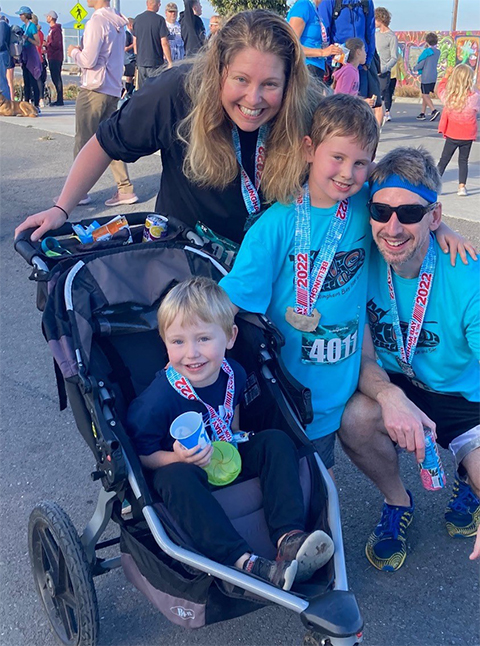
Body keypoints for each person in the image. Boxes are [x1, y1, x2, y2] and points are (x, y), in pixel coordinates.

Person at [16, 10, 323, 249]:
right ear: (217, 71)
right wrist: (61, 209)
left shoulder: (306, 110)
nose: (253, 99)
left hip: (268, 267)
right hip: (185, 263)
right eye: (240, 80)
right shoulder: (176, 93)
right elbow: (105, 143)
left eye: (270, 84)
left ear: (289, 85)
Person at [127, 277, 335, 589]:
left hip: (225, 455)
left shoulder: (233, 373)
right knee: (175, 478)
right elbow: (142, 455)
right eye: (178, 342)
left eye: (203, 339)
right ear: (164, 343)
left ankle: (288, 537)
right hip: (184, 469)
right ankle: (243, 561)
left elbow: (231, 411)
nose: (191, 354)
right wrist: (177, 457)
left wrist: (235, 437)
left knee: (275, 441)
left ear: (230, 336)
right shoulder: (156, 401)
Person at [339, 146, 480, 572]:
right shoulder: (357, 264)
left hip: (465, 403)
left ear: (435, 217)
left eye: (411, 214)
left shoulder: (468, 275)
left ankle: (468, 479)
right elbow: (362, 354)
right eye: (381, 211)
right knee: (354, 417)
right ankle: (397, 501)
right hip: (401, 385)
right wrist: (386, 395)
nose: (393, 227)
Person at [220, 94, 380, 469]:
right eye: (337, 158)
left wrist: (445, 230)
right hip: (293, 396)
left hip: (345, 380)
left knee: (320, 477)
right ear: (309, 149)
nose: (347, 173)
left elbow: (411, 211)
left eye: (360, 163)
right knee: (307, 485)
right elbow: (232, 299)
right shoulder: (277, 224)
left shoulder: (368, 206)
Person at [67, 0, 138, 208]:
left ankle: (78, 192)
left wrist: (73, 52)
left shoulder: (96, 21)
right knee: (110, 139)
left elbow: (88, 60)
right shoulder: (117, 22)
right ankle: (124, 188)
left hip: (93, 89)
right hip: (112, 88)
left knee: (83, 140)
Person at [318, 0, 375, 99]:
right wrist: (329, 60)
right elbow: (323, 30)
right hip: (337, 64)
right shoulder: (329, 2)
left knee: (360, 105)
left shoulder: (366, 1)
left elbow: (370, 30)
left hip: (360, 64)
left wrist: (368, 60)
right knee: (340, 101)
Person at [437, 64, 479, 197]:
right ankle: (462, 187)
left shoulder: (449, 96)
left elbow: (440, 89)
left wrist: (446, 76)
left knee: (444, 159)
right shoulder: (475, 96)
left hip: (452, 133)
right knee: (463, 160)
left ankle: (434, 183)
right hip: (468, 134)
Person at [287, 0, 343, 81]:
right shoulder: (303, 5)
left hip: (316, 68)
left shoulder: (314, 9)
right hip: (304, 68)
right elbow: (291, 44)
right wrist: (323, 52)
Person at [133, 0, 172, 89]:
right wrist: (170, 61)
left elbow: (135, 42)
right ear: (158, 5)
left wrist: (137, 57)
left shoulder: (137, 19)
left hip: (141, 62)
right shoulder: (159, 20)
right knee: (155, 90)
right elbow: (164, 42)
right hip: (155, 62)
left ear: (147, 4)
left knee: (142, 91)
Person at [374, 7, 397, 124]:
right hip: (373, 70)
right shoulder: (375, 35)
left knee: (380, 99)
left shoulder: (391, 36)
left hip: (383, 73)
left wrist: (384, 69)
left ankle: (379, 124)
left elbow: (394, 58)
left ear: (381, 19)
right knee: (371, 98)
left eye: (375, 19)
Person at [16, 6, 41, 111]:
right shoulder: (23, 26)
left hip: (31, 54)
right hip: (24, 54)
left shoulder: (32, 27)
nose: (20, 16)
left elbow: (38, 42)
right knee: (26, 80)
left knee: (33, 80)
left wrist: (28, 38)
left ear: (25, 15)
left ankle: (36, 104)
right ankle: (26, 103)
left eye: (21, 15)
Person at [414, 32, 440, 122]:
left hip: (426, 76)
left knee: (424, 94)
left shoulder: (427, 52)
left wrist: (415, 68)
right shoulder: (437, 52)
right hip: (433, 76)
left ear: (427, 41)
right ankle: (422, 113)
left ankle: (434, 110)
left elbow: (421, 63)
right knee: (426, 94)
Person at [45, 10, 64, 106]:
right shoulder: (51, 30)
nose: (46, 18)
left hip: (55, 56)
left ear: (51, 18)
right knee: (54, 77)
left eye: (48, 16)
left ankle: (60, 99)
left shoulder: (56, 30)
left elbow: (56, 44)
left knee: (56, 77)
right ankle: (59, 98)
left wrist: (47, 45)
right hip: (52, 55)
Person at [31, 15, 46, 108]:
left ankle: (36, 99)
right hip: (39, 57)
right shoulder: (40, 33)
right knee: (39, 80)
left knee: (34, 80)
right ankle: (41, 99)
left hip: (33, 57)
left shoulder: (33, 33)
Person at [123, 17, 136, 96]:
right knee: (129, 77)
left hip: (131, 58)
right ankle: (127, 92)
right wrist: (134, 44)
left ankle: (128, 92)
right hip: (129, 59)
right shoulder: (127, 35)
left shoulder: (131, 34)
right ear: (130, 25)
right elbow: (125, 48)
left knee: (131, 76)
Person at [0, 13, 11, 99]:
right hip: (3, 54)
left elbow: (1, 42)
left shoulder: (2, 24)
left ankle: (6, 102)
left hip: (2, 54)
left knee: (2, 80)